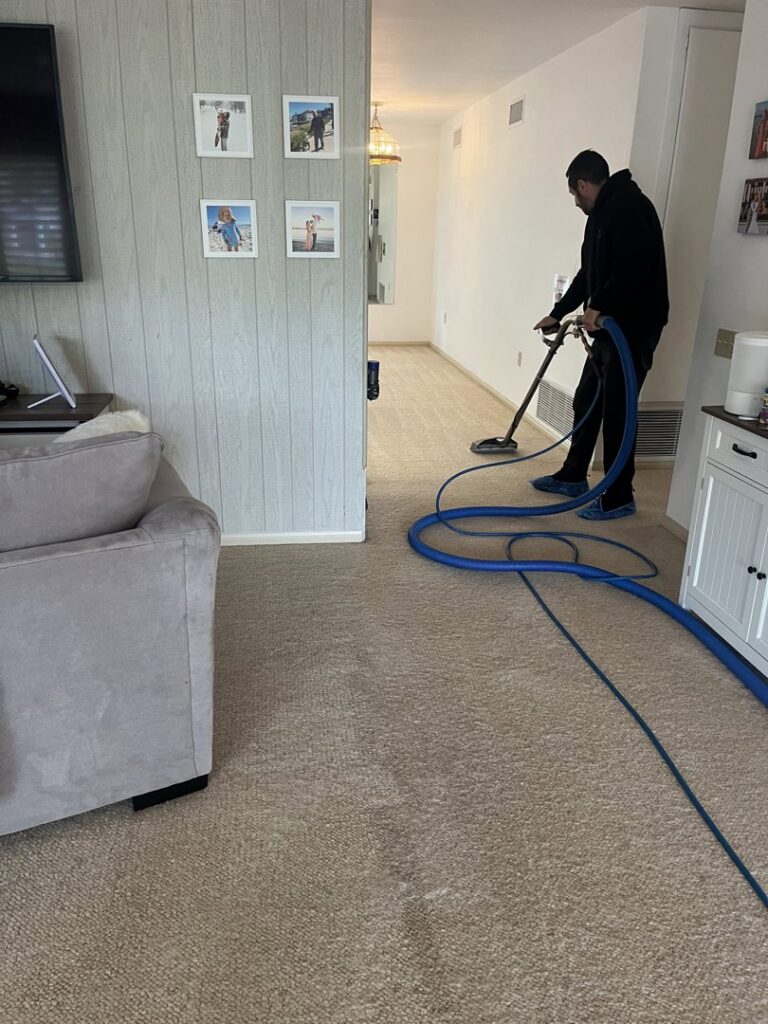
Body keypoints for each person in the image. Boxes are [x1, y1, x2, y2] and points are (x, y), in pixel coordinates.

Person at [531, 150, 669, 520]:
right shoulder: (600, 217)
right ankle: (574, 475)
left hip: (634, 328)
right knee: (587, 397)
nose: (576, 202)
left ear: (583, 184)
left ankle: (619, 495)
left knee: (619, 410)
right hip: (610, 327)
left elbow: (633, 269)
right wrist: (557, 313)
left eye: (575, 195)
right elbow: (587, 274)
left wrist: (601, 305)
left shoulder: (629, 208)